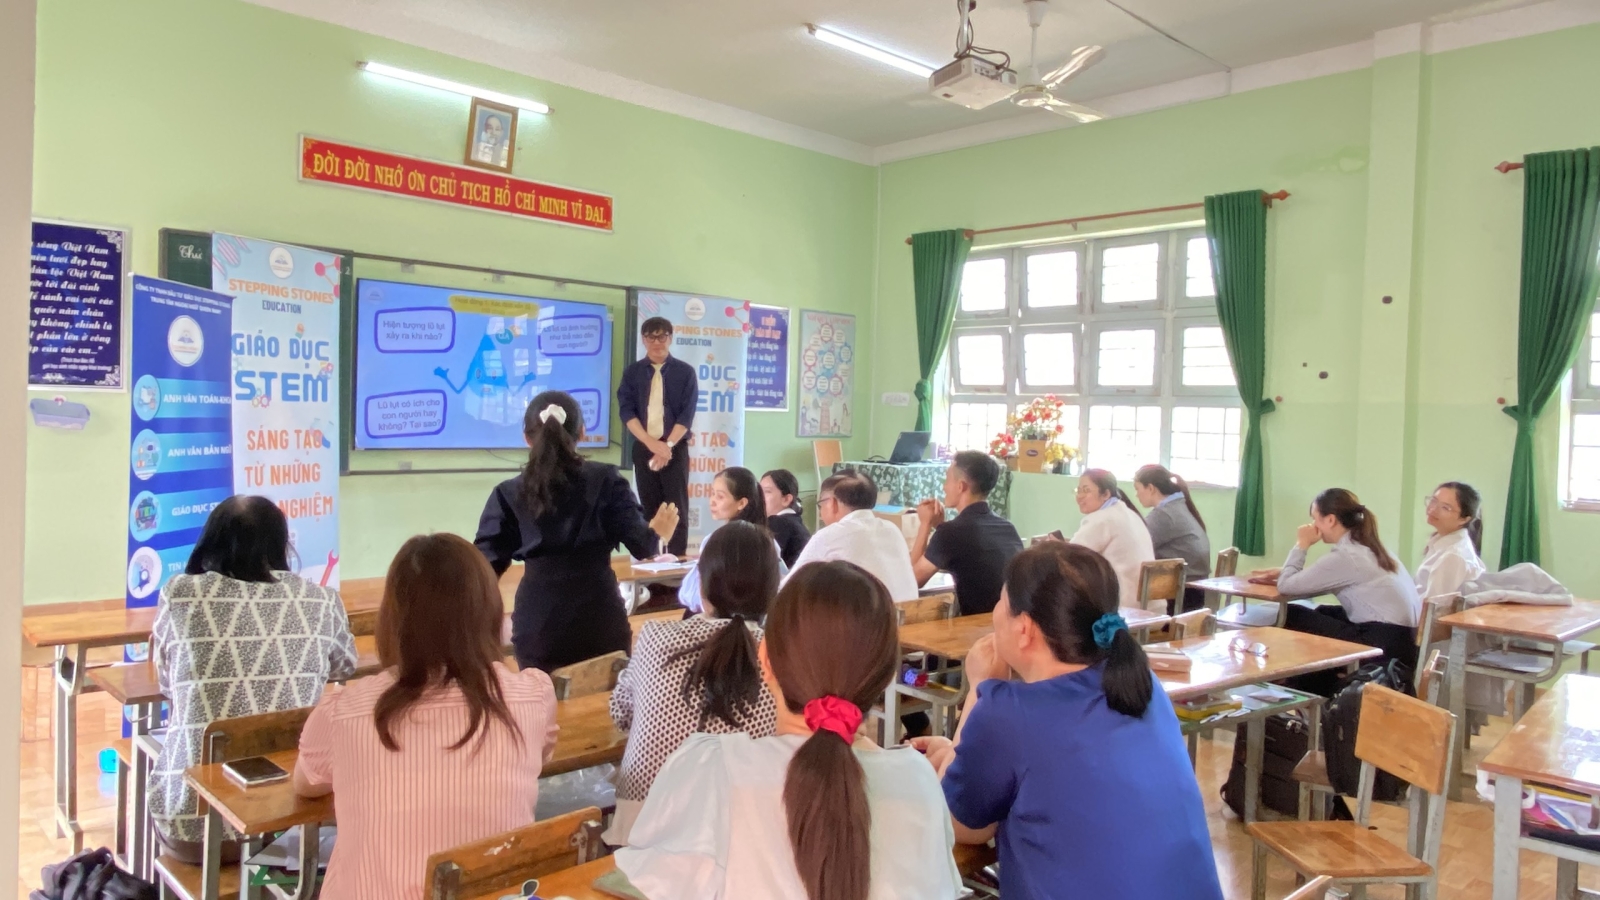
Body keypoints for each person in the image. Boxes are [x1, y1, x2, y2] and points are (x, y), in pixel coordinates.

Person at [615, 561, 962, 900]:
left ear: (764, 659)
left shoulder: (713, 771)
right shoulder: (920, 783)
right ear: (885, 678)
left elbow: (652, 884)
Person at [911, 543, 1223, 900]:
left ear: (1024, 629)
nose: (995, 613)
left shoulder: (1009, 712)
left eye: (1001, 601)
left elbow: (959, 824)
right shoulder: (1141, 684)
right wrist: (956, 752)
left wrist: (979, 687)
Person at [294, 533, 560, 900]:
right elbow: (542, 756)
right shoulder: (533, 695)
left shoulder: (343, 712)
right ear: (488, 610)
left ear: (392, 618)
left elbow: (306, 783)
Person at [148, 496, 357, 863]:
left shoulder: (179, 594)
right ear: (282, 544)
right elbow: (345, 666)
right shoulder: (321, 600)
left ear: (209, 541)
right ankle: (272, 878)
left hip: (193, 833)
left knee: (155, 747)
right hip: (290, 832)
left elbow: (168, 685)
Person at [476, 390, 679, 671]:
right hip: (601, 622)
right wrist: (658, 535)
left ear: (526, 438)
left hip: (538, 627)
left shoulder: (507, 493)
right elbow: (643, 546)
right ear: (582, 432)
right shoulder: (607, 480)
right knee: (609, 698)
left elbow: (483, 570)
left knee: (541, 698)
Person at [607, 520, 781, 845]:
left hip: (643, 838)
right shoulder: (782, 657)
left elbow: (620, 713)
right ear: (773, 592)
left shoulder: (656, 638)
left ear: (701, 585)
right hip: (738, 842)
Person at [1252, 488, 1421, 678]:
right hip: (1402, 642)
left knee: (1294, 615)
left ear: (1330, 520)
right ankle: (1318, 682)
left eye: (1315, 519)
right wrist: (1286, 572)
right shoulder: (1368, 547)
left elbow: (1286, 587)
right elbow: (1315, 579)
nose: (1313, 525)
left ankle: (1312, 685)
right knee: (1323, 612)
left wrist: (1301, 545)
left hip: (1383, 647)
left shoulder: (1346, 555)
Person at [617, 316, 698, 555]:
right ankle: (652, 560)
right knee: (649, 506)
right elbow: (626, 412)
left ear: (670, 338)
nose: (657, 342)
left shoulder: (685, 372)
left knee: (676, 508)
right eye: (651, 337)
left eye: (662, 336)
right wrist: (651, 443)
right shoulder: (632, 373)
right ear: (643, 340)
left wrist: (667, 446)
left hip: (675, 448)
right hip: (644, 447)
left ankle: (676, 562)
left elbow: (686, 415)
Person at [911, 451, 1024, 616]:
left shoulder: (951, 533)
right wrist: (941, 527)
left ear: (961, 486)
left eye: (947, 480)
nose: (944, 487)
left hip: (976, 626)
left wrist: (925, 524)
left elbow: (913, 580)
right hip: (1011, 621)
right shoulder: (1007, 527)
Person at [786, 470, 919, 602]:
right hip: (910, 612)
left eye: (821, 504)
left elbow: (788, 587)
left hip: (872, 615)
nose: (821, 512)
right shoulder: (892, 529)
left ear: (832, 503)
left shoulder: (830, 535)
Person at [678, 467, 788, 612]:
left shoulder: (714, 541)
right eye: (712, 494)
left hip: (718, 616)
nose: (712, 501)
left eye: (720, 496)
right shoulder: (769, 541)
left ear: (741, 503)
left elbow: (690, 594)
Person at [1067, 469, 1154, 608]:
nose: (1080, 496)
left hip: (1125, 607)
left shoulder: (1102, 518)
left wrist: (1054, 547)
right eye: (1079, 490)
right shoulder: (1130, 514)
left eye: (1086, 490)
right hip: (1153, 607)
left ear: (1106, 494)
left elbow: (1070, 557)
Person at [1133, 464, 1212, 613]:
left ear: (1150, 488)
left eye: (1137, 489)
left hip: (1181, 595)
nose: (1136, 495)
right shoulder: (1178, 506)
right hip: (1193, 593)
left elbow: (1136, 545)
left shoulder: (1164, 514)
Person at [1415, 481, 1486, 600]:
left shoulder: (1453, 556)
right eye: (1433, 501)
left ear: (1464, 519)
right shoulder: (1440, 541)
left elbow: (1435, 605)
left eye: (1445, 508)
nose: (1433, 509)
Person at [761, 469, 811, 568]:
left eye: (767, 491)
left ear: (786, 499)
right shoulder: (794, 521)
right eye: (759, 491)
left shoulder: (779, 522)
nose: (760, 497)